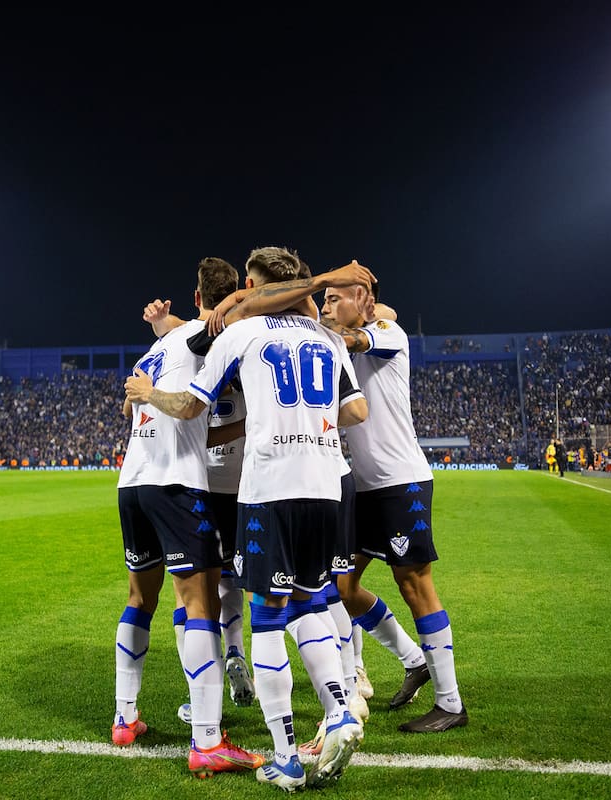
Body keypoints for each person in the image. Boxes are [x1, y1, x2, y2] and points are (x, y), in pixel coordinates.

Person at [127, 246, 370, 791]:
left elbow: (189, 407)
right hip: (327, 485)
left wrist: (147, 392)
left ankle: (285, 757)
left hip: (268, 488)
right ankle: (339, 710)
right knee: (311, 599)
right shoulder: (329, 339)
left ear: (256, 289)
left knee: (268, 617)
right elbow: (356, 409)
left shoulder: (241, 334)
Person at [111, 256, 262, 779]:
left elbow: (130, 408)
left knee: (139, 598)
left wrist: (161, 325)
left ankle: (125, 718)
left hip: (132, 482)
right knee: (199, 603)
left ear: (194, 296)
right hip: (176, 483)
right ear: (220, 304)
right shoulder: (208, 335)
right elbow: (243, 309)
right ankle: (207, 741)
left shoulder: (158, 347)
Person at [318, 280, 469, 734]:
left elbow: (356, 337)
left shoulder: (387, 333)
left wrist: (337, 325)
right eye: (323, 300)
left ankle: (450, 703)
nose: (325, 306)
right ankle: (413, 659)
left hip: (401, 482)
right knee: (343, 586)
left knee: (414, 583)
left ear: (362, 299)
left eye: (333, 298)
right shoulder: (346, 342)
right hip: (364, 487)